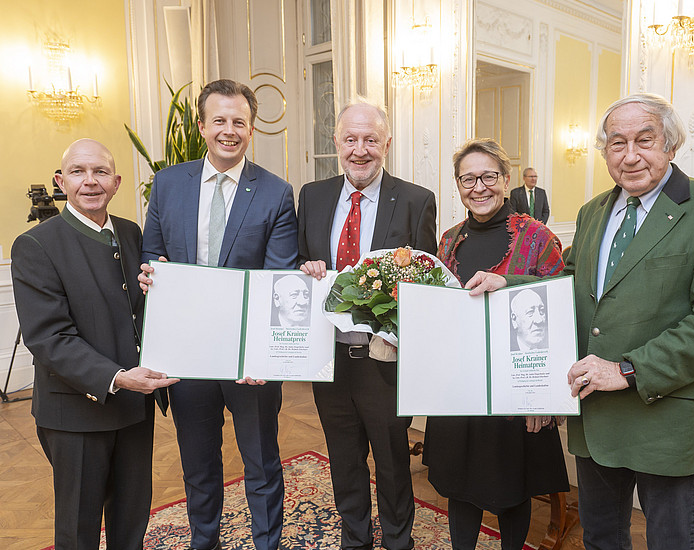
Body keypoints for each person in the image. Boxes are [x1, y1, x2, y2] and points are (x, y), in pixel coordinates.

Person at [563, 93, 694, 550]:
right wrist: (506, 283)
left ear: (670, 145)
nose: (630, 156)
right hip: (597, 418)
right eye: (616, 143)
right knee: (601, 539)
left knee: (674, 541)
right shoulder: (593, 212)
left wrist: (628, 369)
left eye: (644, 140)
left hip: (666, 415)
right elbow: (570, 281)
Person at [140, 79, 298, 550]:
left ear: (252, 129)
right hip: (185, 358)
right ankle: (202, 541)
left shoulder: (275, 192)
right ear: (203, 126)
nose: (229, 131)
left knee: (262, 463)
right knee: (199, 464)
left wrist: (262, 357)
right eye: (220, 121)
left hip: (248, 359)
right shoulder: (169, 184)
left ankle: (266, 542)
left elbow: (278, 279)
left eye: (239, 122)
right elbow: (153, 250)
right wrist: (153, 272)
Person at [10, 139, 178, 549]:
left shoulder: (130, 232)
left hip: (135, 408)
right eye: (78, 172)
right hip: (76, 413)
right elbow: (49, 338)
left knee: (132, 518)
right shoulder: (34, 245)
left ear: (117, 182)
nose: (90, 182)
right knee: (78, 528)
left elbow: (142, 310)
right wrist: (118, 378)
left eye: (101, 172)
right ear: (60, 180)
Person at [298, 98, 437, 550]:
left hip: (385, 362)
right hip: (328, 356)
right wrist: (307, 268)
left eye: (371, 140)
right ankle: (354, 538)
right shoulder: (312, 196)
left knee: (393, 460)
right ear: (336, 142)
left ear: (387, 144)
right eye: (351, 139)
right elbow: (299, 264)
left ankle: (399, 540)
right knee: (343, 457)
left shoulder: (416, 201)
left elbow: (426, 283)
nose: (360, 150)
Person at [422, 138, 569, 550]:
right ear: (458, 185)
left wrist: (543, 398)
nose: (479, 186)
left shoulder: (538, 237)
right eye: (468, 178)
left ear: (506, 181)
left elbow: (557, 313)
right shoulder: (449, 240)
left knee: (512, 492)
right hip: (459, 390)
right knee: (459, 488)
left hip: (515, 393)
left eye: (488, 176)